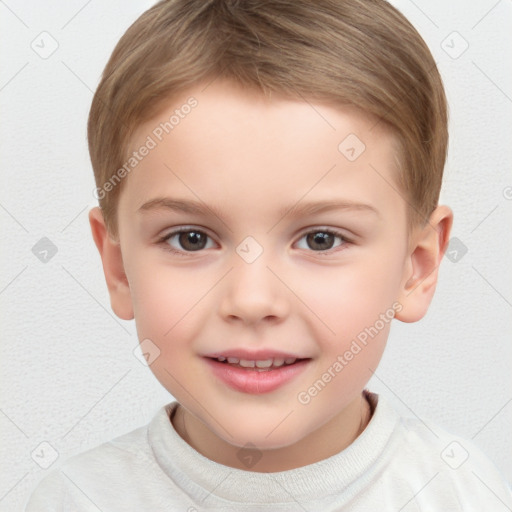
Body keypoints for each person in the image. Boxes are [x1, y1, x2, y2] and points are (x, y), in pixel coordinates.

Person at [25, 0, 512, 510]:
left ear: (417, 267)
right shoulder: (74, 500)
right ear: (119, 268)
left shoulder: (462, 493)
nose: (252, 300)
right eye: (191, 238)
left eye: (321, 239)